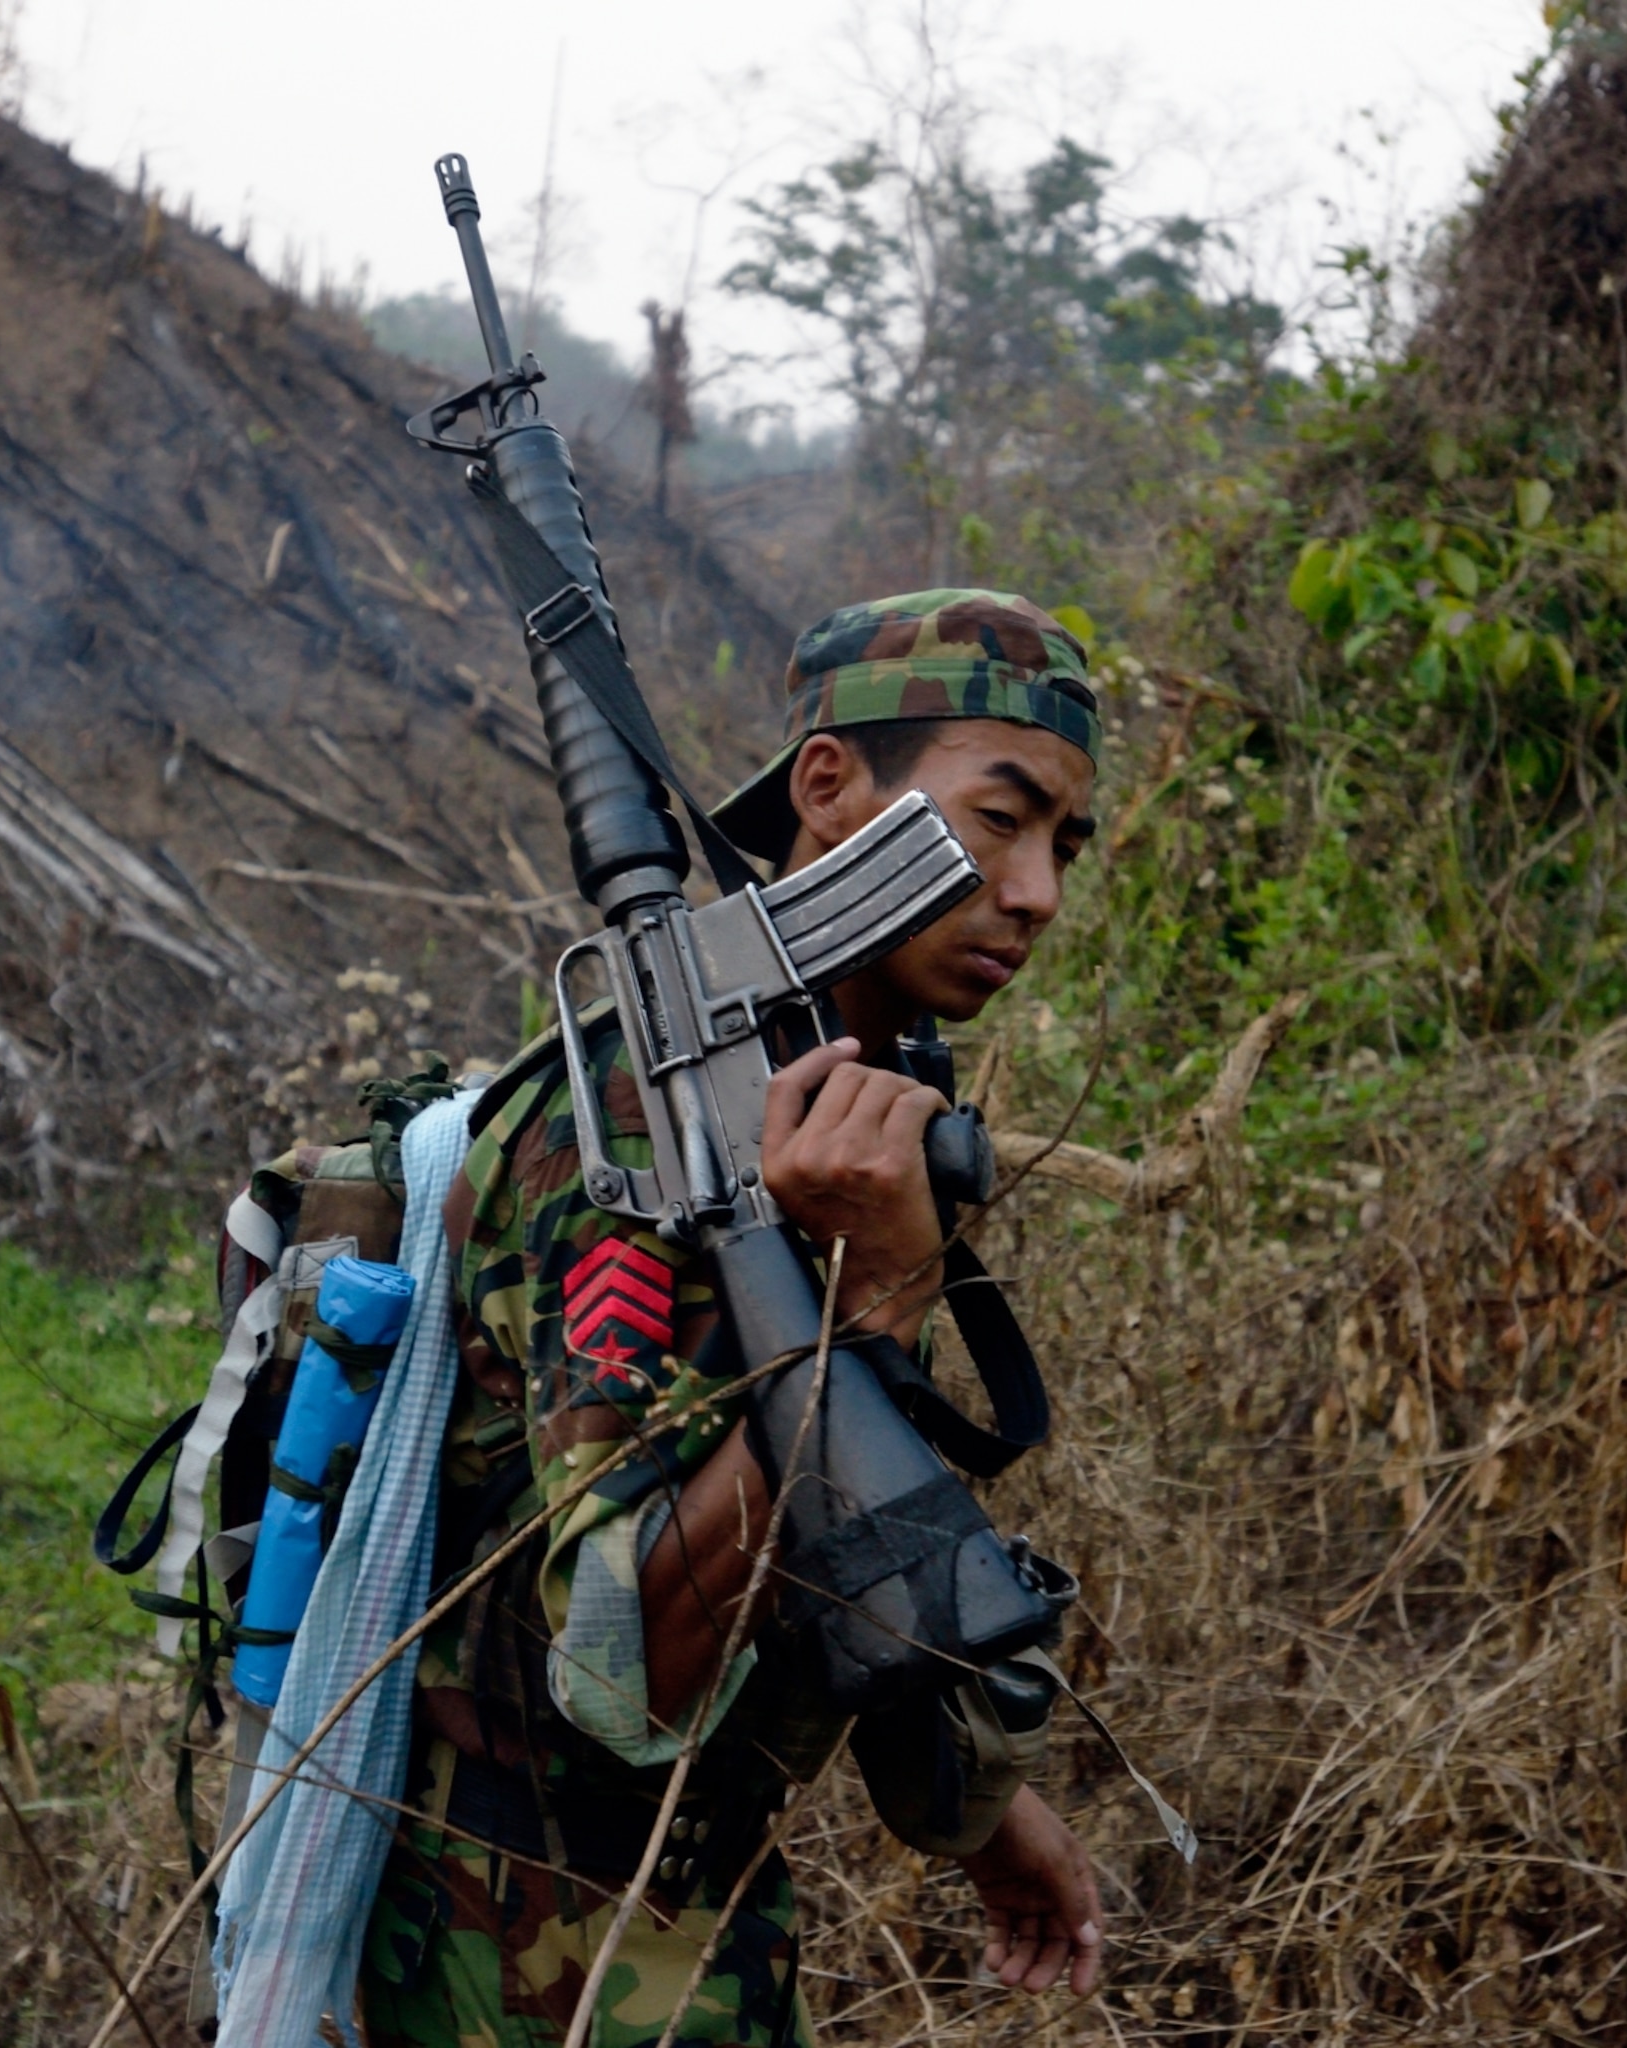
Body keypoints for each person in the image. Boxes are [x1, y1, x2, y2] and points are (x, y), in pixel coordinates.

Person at [359, 589, 1107, 2048]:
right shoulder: (637, 1124)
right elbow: (621, 1665)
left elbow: (826, 1547)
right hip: (520, 1953)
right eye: (998, 819)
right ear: (829, 789)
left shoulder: (839, 1084)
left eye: (1065, 845)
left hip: (699, 1915)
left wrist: (985, 1814)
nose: (1037, 894)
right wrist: (877, 1311)